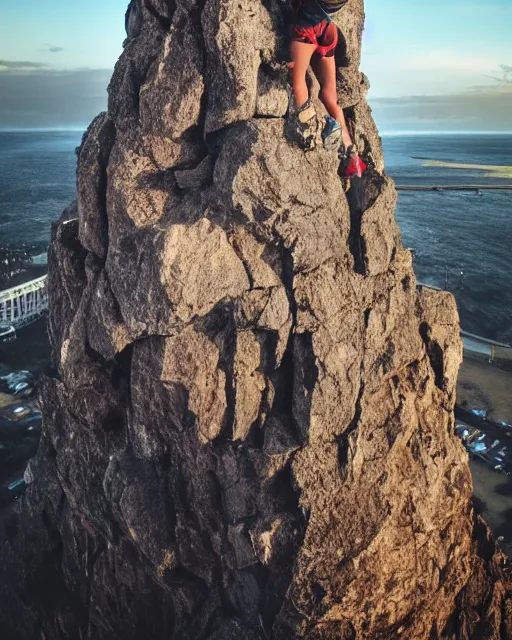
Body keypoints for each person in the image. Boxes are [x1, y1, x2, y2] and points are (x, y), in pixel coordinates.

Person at [289, 0, 366, 176]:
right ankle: (352, 154)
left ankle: (308, 129)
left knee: (299, 80)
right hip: (327, 29)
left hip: (305, 30)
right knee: (330, 97)